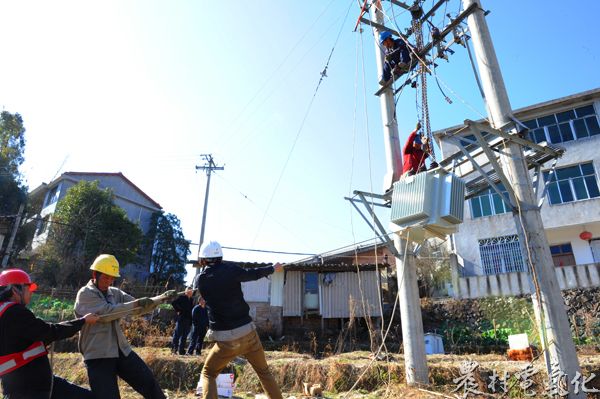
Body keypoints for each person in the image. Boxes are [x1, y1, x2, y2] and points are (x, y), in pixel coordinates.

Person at [193, 241, 284, 399]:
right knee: (264, 372)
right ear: (220, 256)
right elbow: (252, 274)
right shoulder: (231, 270)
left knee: (208, 373)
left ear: (203, 260)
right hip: (248, 333)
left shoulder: (201, 280)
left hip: (225, 341)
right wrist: (272, 268)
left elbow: (209, 293)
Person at [74, 254, 170, 399]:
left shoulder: (115, 293)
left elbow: (137, 307)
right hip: (98, 355)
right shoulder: (85, 294)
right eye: (106, 277)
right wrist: (137, 304)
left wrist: (161, 299)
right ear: (95, 274)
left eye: (112, 278)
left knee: (149, 383)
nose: (109, 281)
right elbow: (107, 313)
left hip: (121, 350)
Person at [0, 268, 98, 399]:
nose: (31, 293)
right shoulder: (15, 312)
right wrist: (82, 321)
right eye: (28, 288)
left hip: (25, 385)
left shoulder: (5, 313)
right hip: (30, 388)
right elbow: (50, 332)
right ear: (14, 290)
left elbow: (20, 341)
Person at [171, 286, 194, 355]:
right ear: (186, 292)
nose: (190, 292)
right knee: (177, 334)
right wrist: (178, 310)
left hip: (188, 320)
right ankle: (174, 349)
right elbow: (173, 303)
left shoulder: (192, 300)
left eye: (191, 291)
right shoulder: (182, 297)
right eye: (188, 291)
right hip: (181, 318)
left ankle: (181, 351)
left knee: (184, 336)